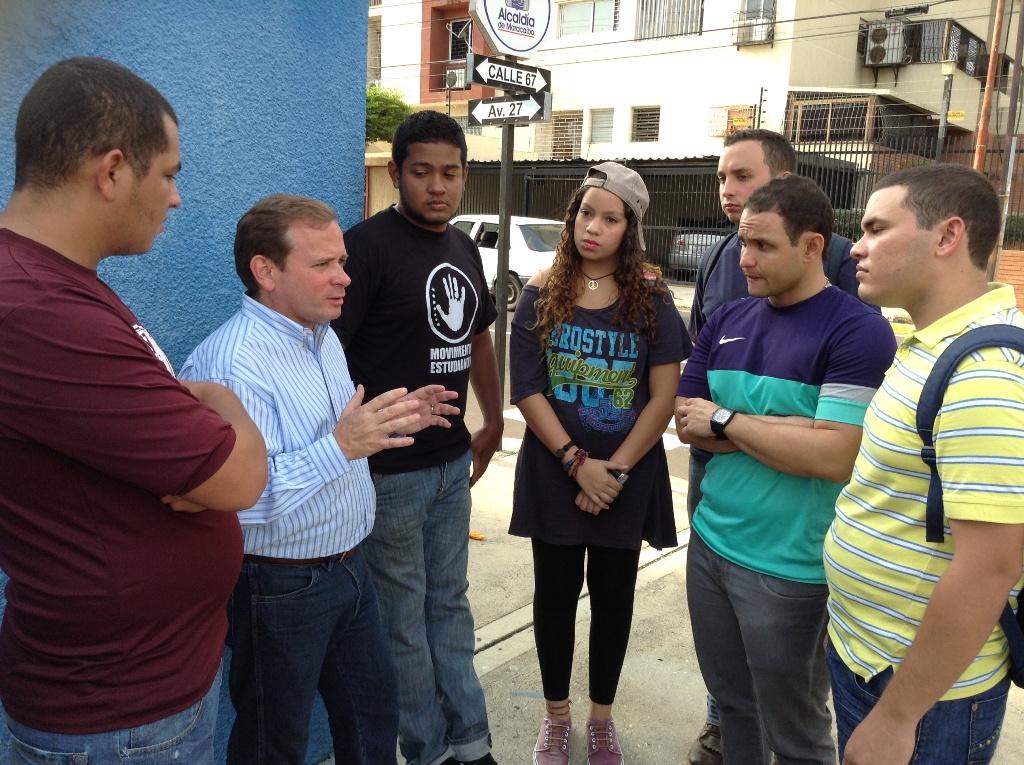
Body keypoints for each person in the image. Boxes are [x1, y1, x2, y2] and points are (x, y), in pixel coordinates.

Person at [0, 58, 268, 764]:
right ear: (113, 171)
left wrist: (203, 439)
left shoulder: (61, 286)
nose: (176, 198)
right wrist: (229, 404)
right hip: (116, 720)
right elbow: (237, 478)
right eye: (168, 173)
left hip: (141, 695)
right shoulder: (36, 308)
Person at [180, 194, 459, 764]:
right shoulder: (232, 364)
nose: (344, 279)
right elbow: (232, 501)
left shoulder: (321, 335)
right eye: (324, 265)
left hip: (350, 569)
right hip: (277, 587)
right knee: (273, 740)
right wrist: (341, 446)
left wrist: (387, 417)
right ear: (266, 271)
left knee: (373, 716)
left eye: (343, 262)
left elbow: (328, 434)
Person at [675, 175, 896, 765]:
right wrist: (780, 430)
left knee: (795, 729)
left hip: (792, 570)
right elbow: (686, 424)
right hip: (711, 548)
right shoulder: (725, 320)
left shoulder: (859, 329)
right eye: (743, 242)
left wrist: (727, 420)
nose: (744, 259)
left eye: (764, 246)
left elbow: (835, 456)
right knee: (733, 708)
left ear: (813, 246)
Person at [824, 164, 1024, 765]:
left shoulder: (983, 372)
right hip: (870, 656)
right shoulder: (923, 341)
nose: (856, 245)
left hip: (922, 699)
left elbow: (991, 565)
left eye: (876, 227)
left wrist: (897, 716)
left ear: (947, 236)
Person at [331, 110, 503, 765]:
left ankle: (471, 742)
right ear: (397, 172)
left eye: (450, 173)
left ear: (464, 176)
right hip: (392, 473)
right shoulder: (367, 248)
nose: (438, 186)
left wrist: (491, 421)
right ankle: (427, 749)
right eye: (423, 172)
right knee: (402, 621)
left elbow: (478, 336)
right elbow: (330, 358)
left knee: (450, 606)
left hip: (450, 465)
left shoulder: (462, 248)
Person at [510, 162, 691, 765]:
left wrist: (610, 471)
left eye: (610, 219)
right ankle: (556, 719)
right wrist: (573, 460)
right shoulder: (540, 290)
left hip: (625, 478)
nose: (593, 227)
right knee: (554, 595)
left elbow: (664, 395)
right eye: (586, 213)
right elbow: (528, 387)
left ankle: (602, 719)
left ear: (630, 227)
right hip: (554, 474)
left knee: (614, 599)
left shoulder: (654, 299)